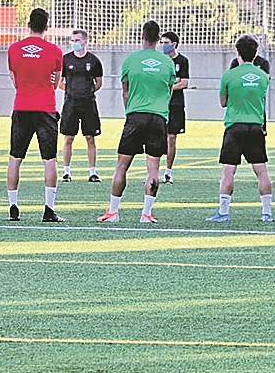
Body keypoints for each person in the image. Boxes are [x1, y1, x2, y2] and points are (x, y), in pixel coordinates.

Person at [98, 20, 178, 224]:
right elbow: (169, 91)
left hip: (135, 116)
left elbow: (125, 91)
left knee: (122, 166)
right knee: (153, 168)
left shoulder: (130, 60)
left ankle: (113, 212)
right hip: (158, 117)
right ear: (158, 39)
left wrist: (130, 111)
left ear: (142, 37)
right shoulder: (167, 62)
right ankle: (146, 214)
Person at [6, 8, 65, 223]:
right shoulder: (55, 51)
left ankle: (13, 207)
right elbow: (56, 81)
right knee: (49, 159)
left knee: (15, 157)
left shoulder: (14, 49)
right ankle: (49, 209)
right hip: (46, 108)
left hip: (21, 106)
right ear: (47, 27)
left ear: (28, 25)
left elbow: (14, 79)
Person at [208, 34, 274, 224]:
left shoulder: (229, 75)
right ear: (255, 53)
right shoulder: (263, 76)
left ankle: (223, 212)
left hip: (235, 126)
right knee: (262, 171)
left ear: (237, 52)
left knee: (228, 171)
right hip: (256, 126)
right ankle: (267, 212)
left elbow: (223, 102)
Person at [60, 29, 104, 183]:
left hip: (88, 104)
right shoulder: (65, 60)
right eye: (72, 40)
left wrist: (87, 92)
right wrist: (71, 91)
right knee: (68, 138)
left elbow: (98, 82)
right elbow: (59, 81)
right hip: (70, 103)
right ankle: (66, 172)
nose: (74, 43)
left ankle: (92, 172)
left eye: (77, 40)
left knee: (90, 138)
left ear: (85, 41)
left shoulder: (93, 60)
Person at [160, 30, 190, 184]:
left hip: (176, 104)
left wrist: (168, 87)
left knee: (171, 137)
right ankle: (152, 171)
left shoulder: (182, 61)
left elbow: (184, 83)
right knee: (157, 137)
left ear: (174, 44)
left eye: (166, 43)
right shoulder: (160, 61)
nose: (163, 45)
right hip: (160, 104)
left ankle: (168, 172)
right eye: (162, 43)